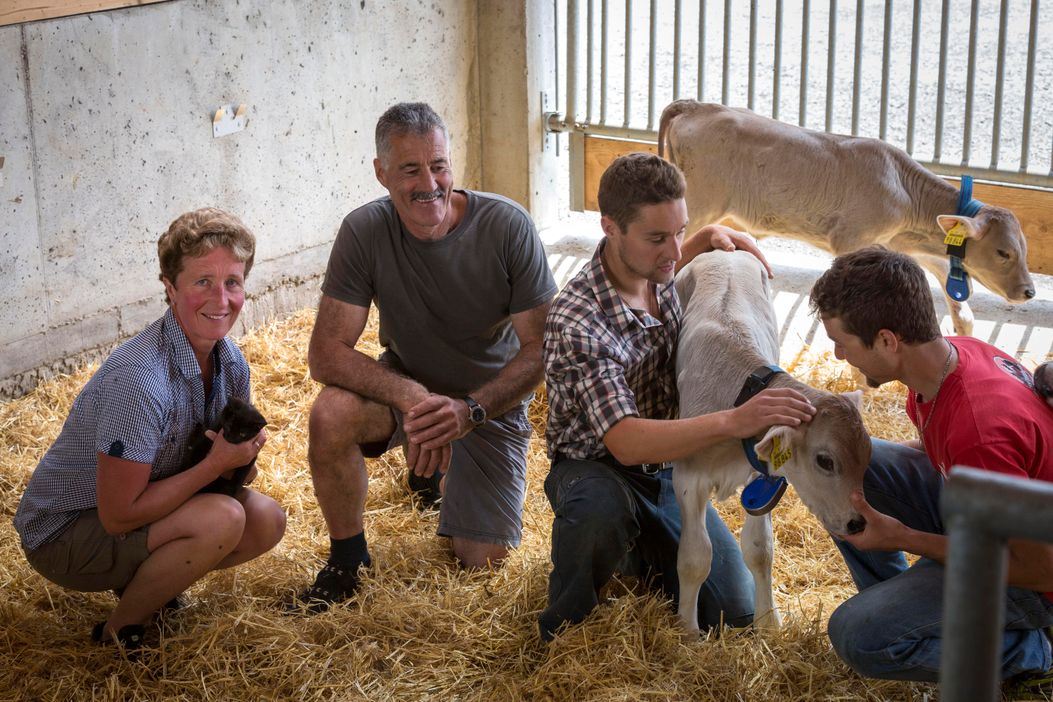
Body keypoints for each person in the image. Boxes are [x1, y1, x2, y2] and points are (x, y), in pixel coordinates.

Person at [538, 152, 818, 641]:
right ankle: (567, 622)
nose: (672, 251)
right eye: (656, 237)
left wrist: (707, 239)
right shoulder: (578, 319)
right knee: (598, 512)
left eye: (679, 231)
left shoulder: (657, 270)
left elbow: (673, 256)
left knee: (735, 613)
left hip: (666, 467)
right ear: (610, 227)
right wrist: (736, 420)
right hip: (598, 466)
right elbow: (624, 441)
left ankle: (643, 550)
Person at [296, 102, 557, 611]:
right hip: (410, 387)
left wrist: (470, 410)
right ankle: (347, 560)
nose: (429, 183)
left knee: (484, 560)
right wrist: (414, 398)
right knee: (331, 412)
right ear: (381, 172)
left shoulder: (506, 225)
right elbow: (325, 354)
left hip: (488, 405)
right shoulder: (364, 231)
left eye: (438, 165)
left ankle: (433, 471)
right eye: (410, 169)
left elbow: (543, 347)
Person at [14, 207, 287, 650]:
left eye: (232, 282)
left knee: (265, 520)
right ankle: (120, 632)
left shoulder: (230, 361)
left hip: (141, 508)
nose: (221, 300)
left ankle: (145, 584)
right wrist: (216, 465)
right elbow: (117, 515)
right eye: (202, 282)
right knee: (223, 518)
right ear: (169, 287)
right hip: (64, 531)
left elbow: (222, 472)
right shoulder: (139, 379)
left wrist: (239, 465)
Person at [809, 245, 1053, 684]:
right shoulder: (952, 357)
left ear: (887, 340)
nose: (839, 357)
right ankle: (905, 605)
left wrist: (906, 538)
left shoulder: (978, 431)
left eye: (841, 344)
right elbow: (956, 456)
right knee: (839, 463)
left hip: (1037, 582)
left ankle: (1029, 650)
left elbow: (1039, 568)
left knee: (859, 637)